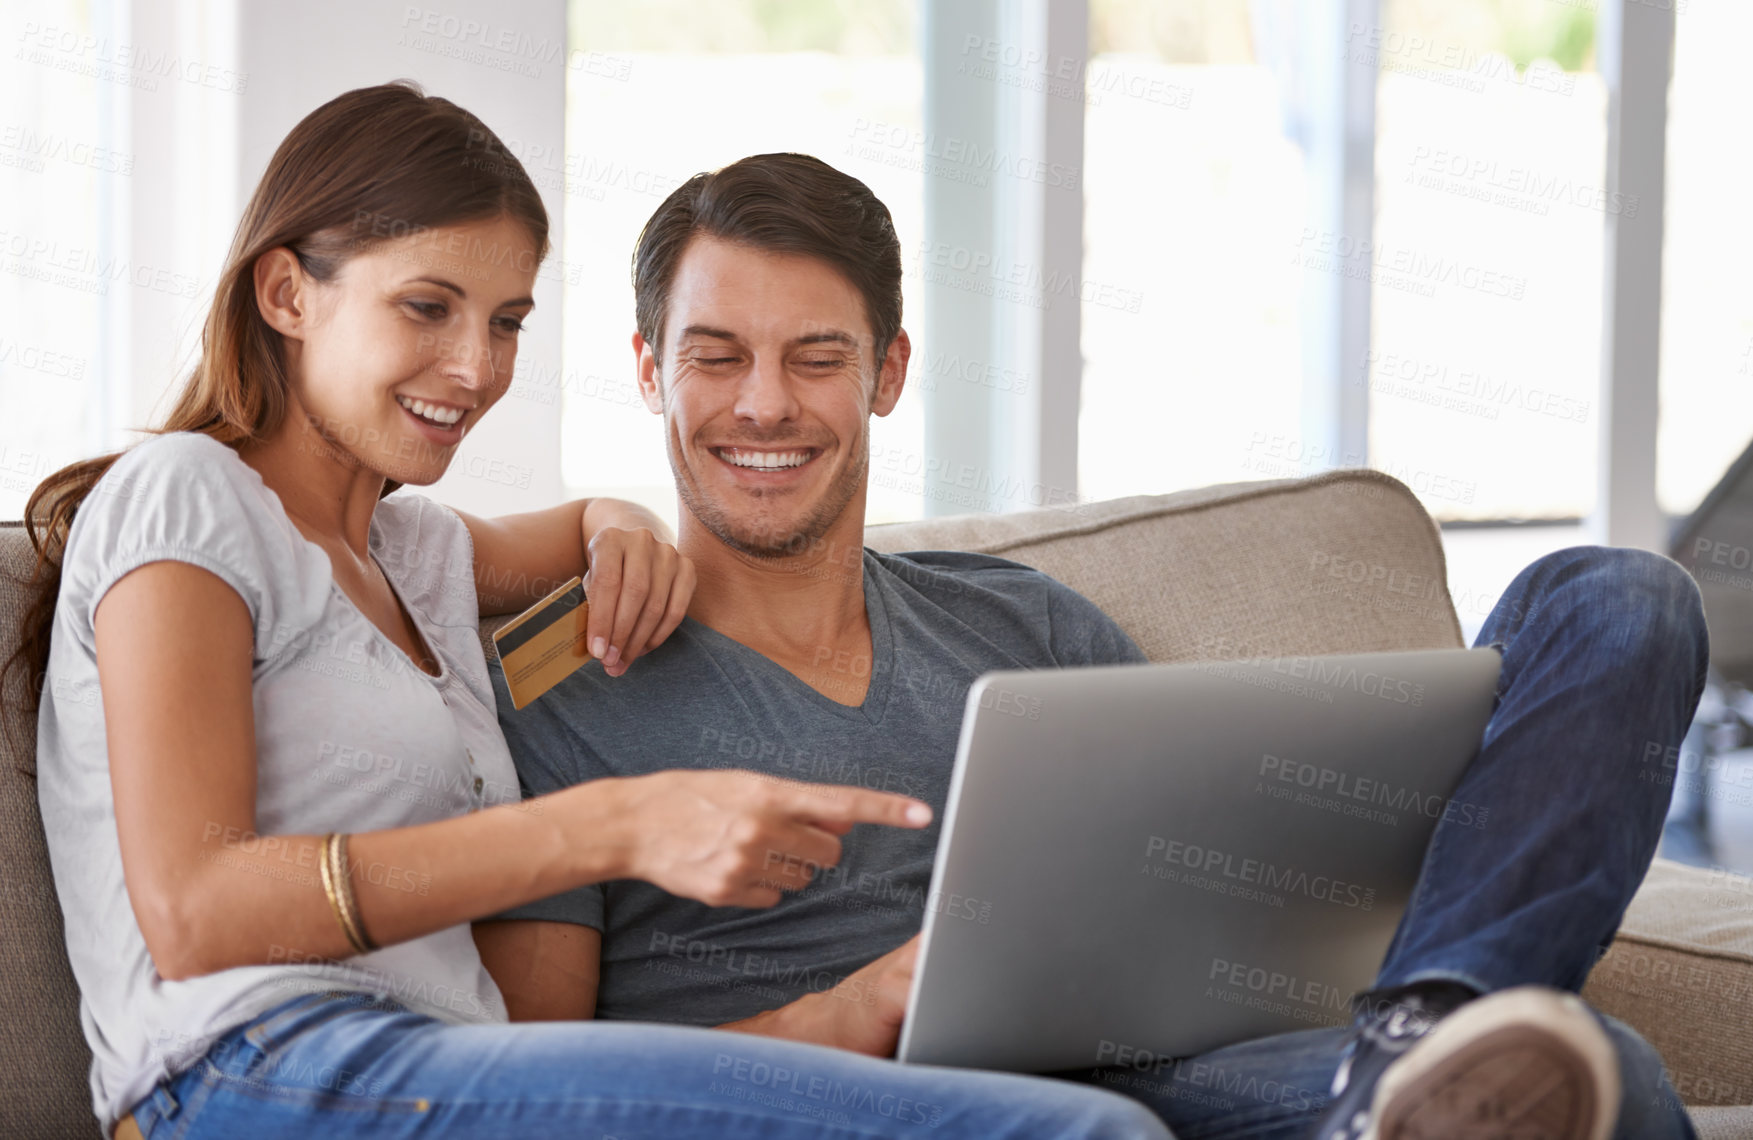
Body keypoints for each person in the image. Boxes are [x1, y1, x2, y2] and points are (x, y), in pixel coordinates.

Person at [14, 85, 1171, 1140]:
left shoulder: (413, 552)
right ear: (286, 293)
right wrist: (614, 826)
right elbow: (194, 911)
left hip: (444, 1067)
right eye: (427, 307)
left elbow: (576, 530)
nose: (473, 369)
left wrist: (621, 521)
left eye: (506, 322)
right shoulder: (185, 494)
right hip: (256, 1072)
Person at [479, 152, 1710, 1140]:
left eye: (817, 357)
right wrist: (856, 1008)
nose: (763, 405)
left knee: (1614, 600)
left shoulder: (1022, 622)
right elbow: (532, 1091)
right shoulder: (560, 687)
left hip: (1184, 1067)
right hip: (886, 1108)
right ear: (649, 371)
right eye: (716, 357)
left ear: (888, 374)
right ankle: (1422, 1080)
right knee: (1611, 1086)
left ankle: (1423, 1039)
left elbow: (1207, 872)